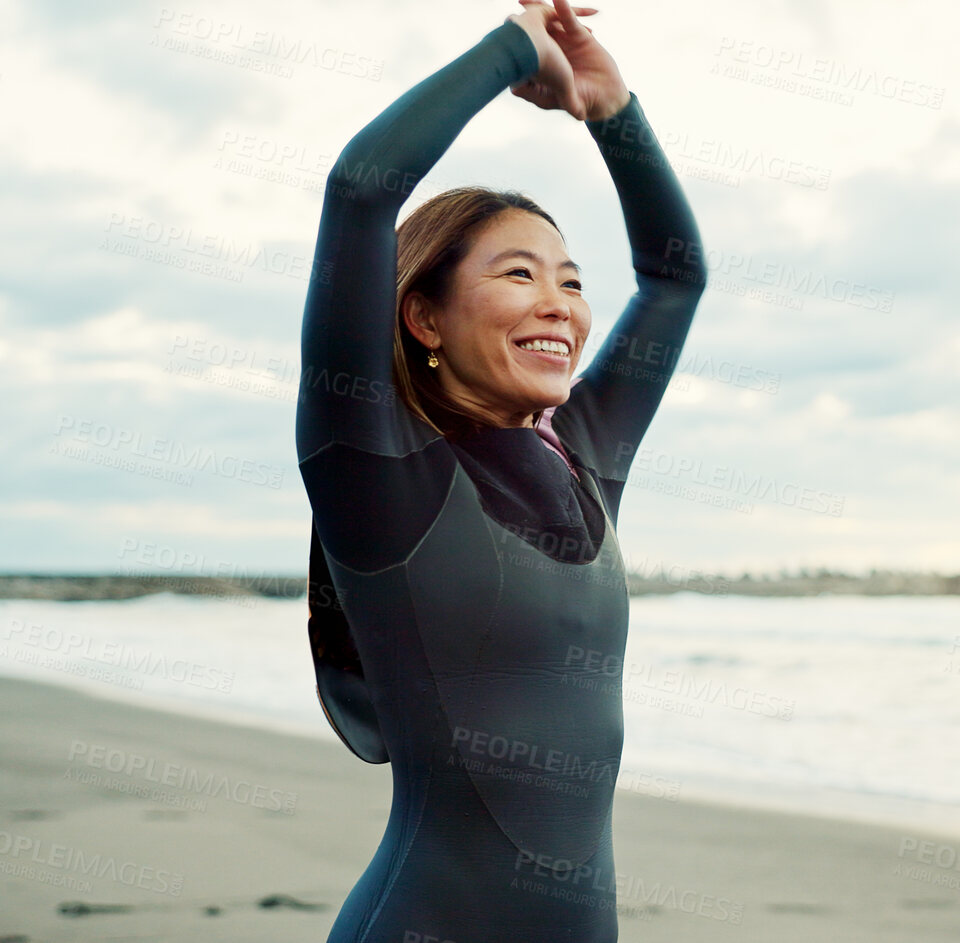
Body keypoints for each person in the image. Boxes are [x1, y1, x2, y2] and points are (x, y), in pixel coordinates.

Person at [294, 0, 705, 937]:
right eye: (519, 274)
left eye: (570, 279)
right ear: (424, 317)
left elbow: (676, 274)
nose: (558, 303)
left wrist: (612, 110)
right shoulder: (377, 466)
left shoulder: (585, 460)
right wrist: (518, 44)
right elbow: (361, 189)